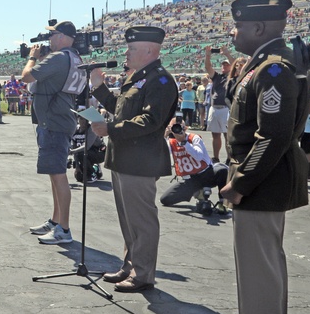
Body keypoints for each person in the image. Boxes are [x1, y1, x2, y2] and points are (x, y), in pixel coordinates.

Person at [215, 0, 310, 314]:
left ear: (258, 29)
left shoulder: (273, 71)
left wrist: (240, 183)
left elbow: (271, 136)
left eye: (237, 26)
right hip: (265, 183)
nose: (232, 32)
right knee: (262, 269)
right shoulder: (264, 66)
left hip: (262, 184)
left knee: (260, 271)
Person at [90, 26, 178, 293]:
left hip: (140, 160)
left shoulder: (160, 80)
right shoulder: (140, 78)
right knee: (128, 220)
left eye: (131, 48)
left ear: (150, 50)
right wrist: (98, 87)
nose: (125, 53)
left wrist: (112, 129)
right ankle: (130, 265)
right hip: (124, 158)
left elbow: (151, 120)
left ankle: (143, 274)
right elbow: (121, 108)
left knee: (142, 220)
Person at [22, 20, 86, 246]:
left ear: (62, 36)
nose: (49, 39)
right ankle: (56, 220)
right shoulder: (73, 57)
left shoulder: (59, 57)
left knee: (59, 176)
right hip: (59, 119)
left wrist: (32, 58)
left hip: (54, 122)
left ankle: (64, 229)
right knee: (54, 173)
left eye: (53, 35)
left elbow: (26, 77)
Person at [160, 118, 228, 208]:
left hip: (207, 174)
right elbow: (161, 153)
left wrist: (184, 142)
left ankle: (222, 203)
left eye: (181, 128)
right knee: (165, 199)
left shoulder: (194, 138)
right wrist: (164, 136)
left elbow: (198, 156)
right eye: (174, 128)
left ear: (186, 128)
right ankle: (199, 192)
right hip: (191, 180)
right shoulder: (171, 142)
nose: (178, 131)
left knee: (222, 170)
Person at [205, 46, 235, 161]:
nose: (224, 66)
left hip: (226, 108)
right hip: (215, 107)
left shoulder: (232, 77)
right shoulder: (217, 77)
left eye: (227, 65)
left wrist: (227, 54)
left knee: (227, 135)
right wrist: (207, 55)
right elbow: (208, 67)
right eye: (223, 65)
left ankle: (229, 157)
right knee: (215, 134)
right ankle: (216, 157)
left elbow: (236, 65)